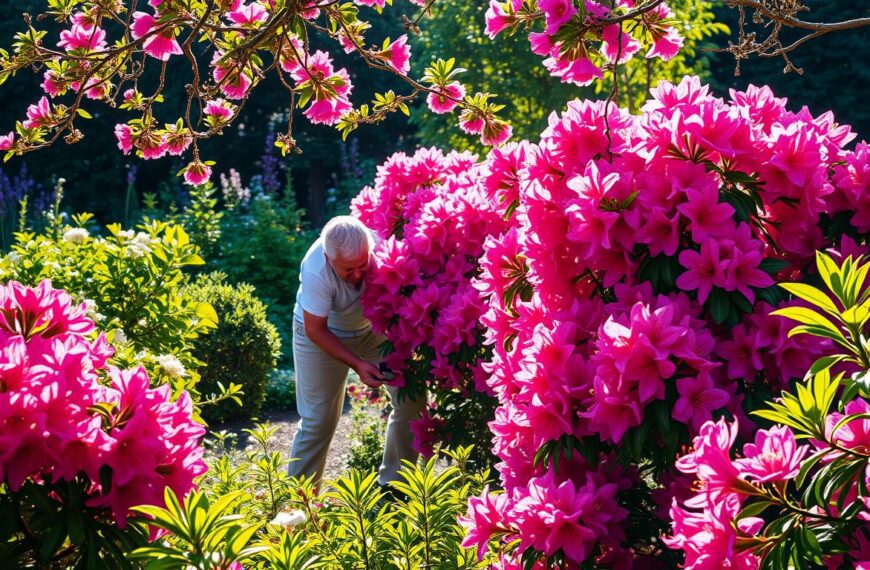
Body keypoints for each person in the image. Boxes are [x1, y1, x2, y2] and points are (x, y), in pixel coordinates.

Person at [288, 215, 427, 488]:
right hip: (320, 334)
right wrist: (357, 364)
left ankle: (395, 488)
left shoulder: (380, 244)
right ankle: (296, 507)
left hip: (372, 331)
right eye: (348, 270)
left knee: (413, 400)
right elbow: (316, 329)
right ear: (329, 259)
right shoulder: (316, 268)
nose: (358, 275)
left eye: (363, 265)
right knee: (318, 420)